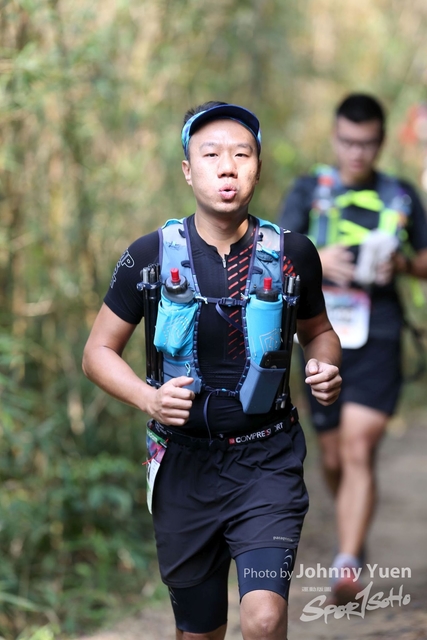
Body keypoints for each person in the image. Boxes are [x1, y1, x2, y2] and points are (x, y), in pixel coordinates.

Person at [83, 101, 342, 640]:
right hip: (183, 466)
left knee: (264, 620)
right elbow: (98, 352)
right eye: (211, 155)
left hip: (267, 460)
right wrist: (148, 399)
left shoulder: (292, 254)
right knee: (199, 632)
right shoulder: (150, 256)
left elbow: (318, 331)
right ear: (187, 170)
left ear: (258, 168)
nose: (228, 167)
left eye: (241, 155)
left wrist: (325, 366)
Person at [278, 93, 427, 605]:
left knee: (359, 447)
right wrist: (319, 258)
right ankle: (353, 534)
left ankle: (346, 562)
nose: (356, 152)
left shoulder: (401, 195)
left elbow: (425, 258)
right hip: (319, 334)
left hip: (380, 331)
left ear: (380, 142)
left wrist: (401, 265)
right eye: (347, 142)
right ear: (334, 137)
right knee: (334, 454)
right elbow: (275, 252)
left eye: (366, 143)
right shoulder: (309, 190)